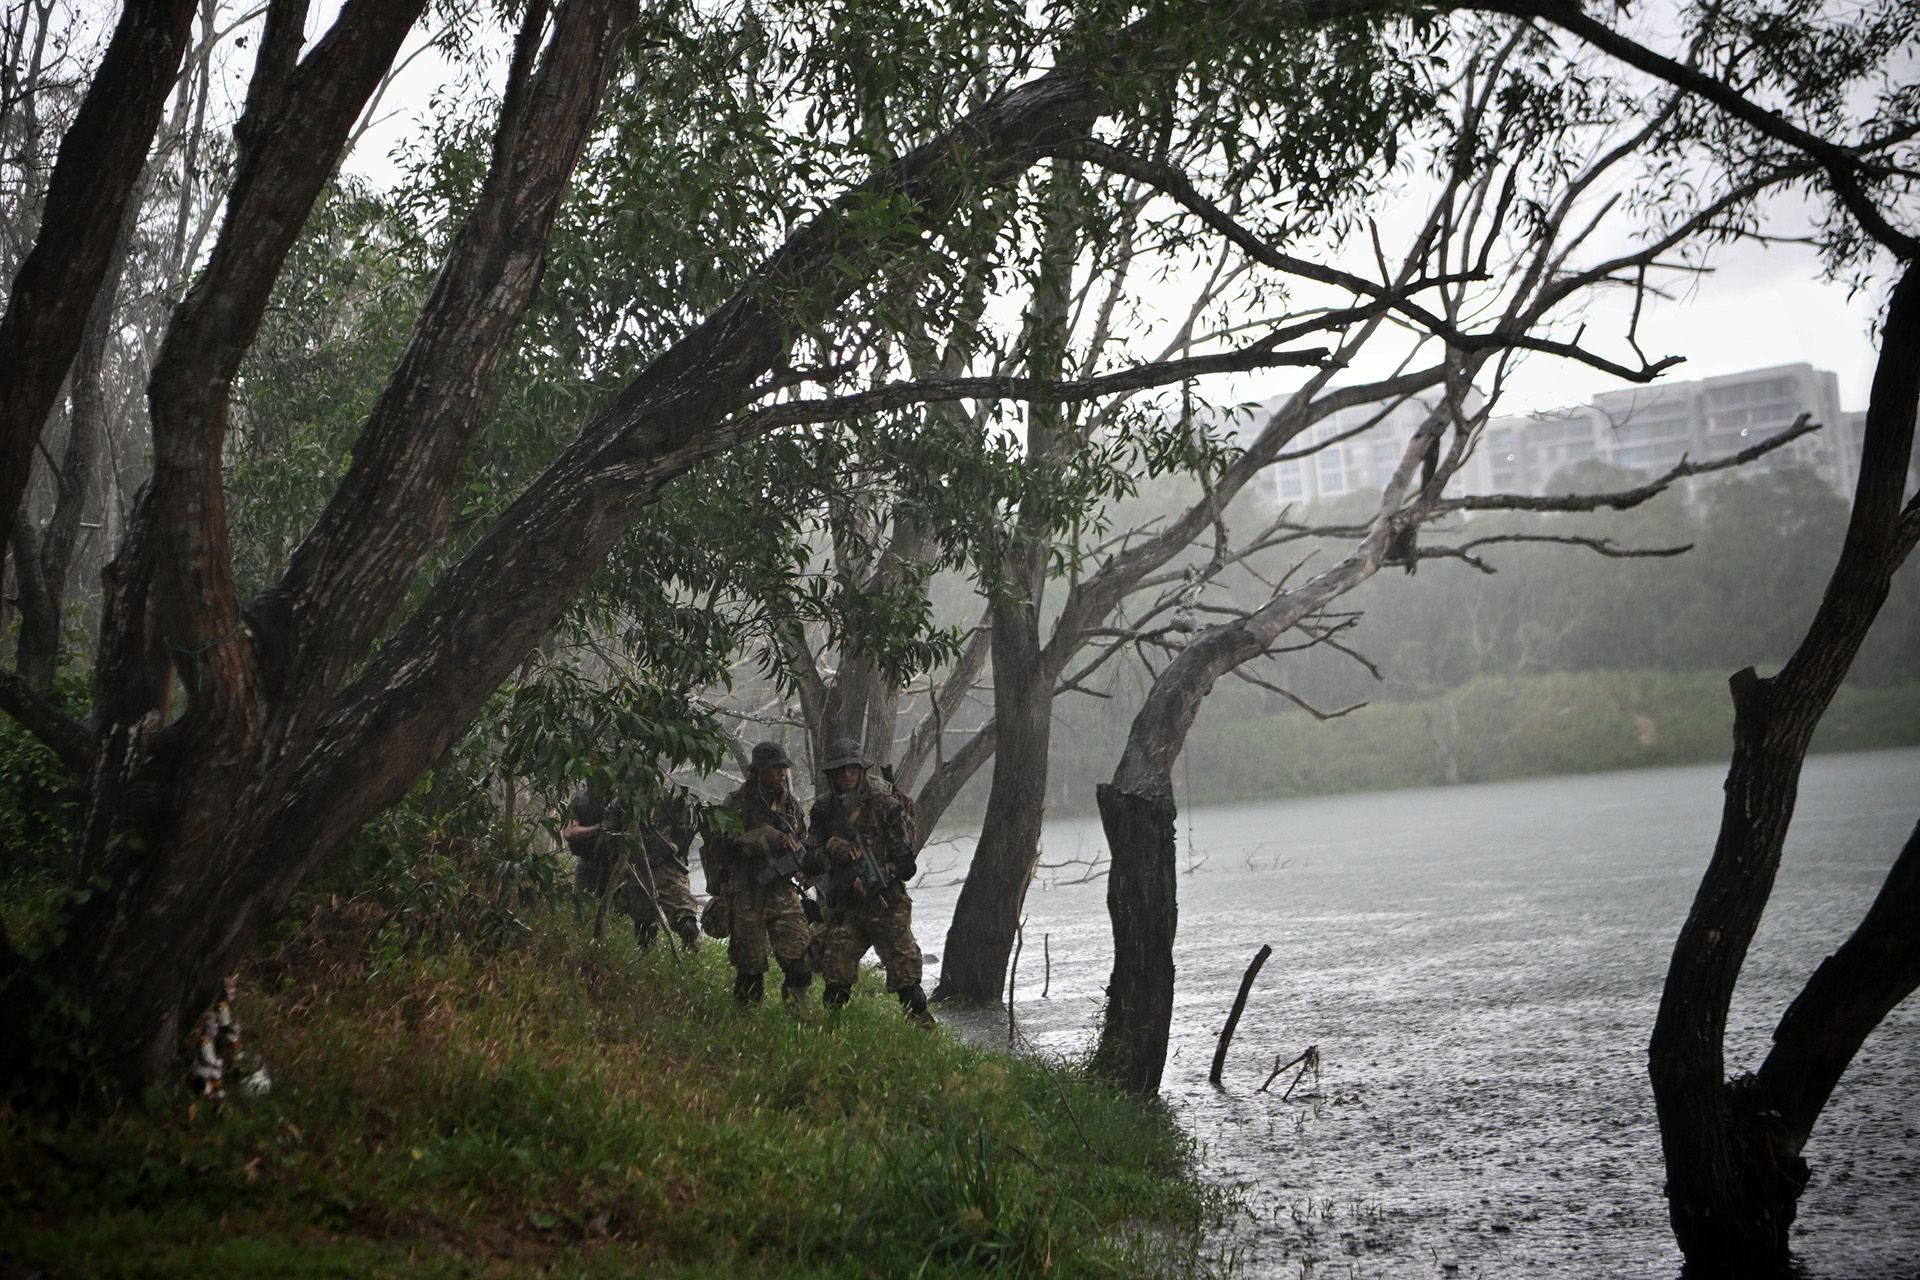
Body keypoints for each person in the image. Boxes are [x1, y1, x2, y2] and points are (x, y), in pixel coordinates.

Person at [802, 738, 931, 1025]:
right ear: (831, 774)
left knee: (910, 986)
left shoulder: (886, 805)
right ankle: (830, 1037)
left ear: (861, 770)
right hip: (846, 908)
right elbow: (809, 862)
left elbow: (906, 865)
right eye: (841, 769)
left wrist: (879, 874)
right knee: (836, 981)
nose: (847, 774)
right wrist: (830, 850)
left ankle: (924, 1036)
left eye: (853, 768)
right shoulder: (823, 810)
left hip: (887, 905)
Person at [701, 741, 814, 1007]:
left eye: (783, 768)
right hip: (746, 891)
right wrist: (759, 836)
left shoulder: (790, 806)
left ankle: (801, 1022)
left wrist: (800, 861)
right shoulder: (736, 804)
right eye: (775, 769)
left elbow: (803, 841)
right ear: (759, 771)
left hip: (782, 890)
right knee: (749, 966)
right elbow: (719, 845)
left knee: (799, 961)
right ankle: (746, 1022)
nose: (782, 774)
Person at [564, 777, 701, 952]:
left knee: (686, 921)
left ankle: (692, 957)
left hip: (666, 868)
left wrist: (676, 845)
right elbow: (608, 833)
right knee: (643, 926)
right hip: (636, 870)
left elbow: (686, 826)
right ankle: (647, 961)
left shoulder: (668, 797)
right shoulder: (618, 800)